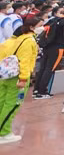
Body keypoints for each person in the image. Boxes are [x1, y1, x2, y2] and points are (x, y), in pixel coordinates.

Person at [0, 15, 40, 144]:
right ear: (32, 27)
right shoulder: (29, 41)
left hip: (6, 76)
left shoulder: (13, 39)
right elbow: (25, 60)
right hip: (18, 78)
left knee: (2, 102)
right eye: (40, 25)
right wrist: (23, 78)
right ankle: (4, 133)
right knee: (12, 105)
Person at [32, 6, 64, 99]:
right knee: (50, 69)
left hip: (47, 46)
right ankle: (42, 92)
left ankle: (36, 90)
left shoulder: (53, 19)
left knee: (43, 68)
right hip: (57, 47)